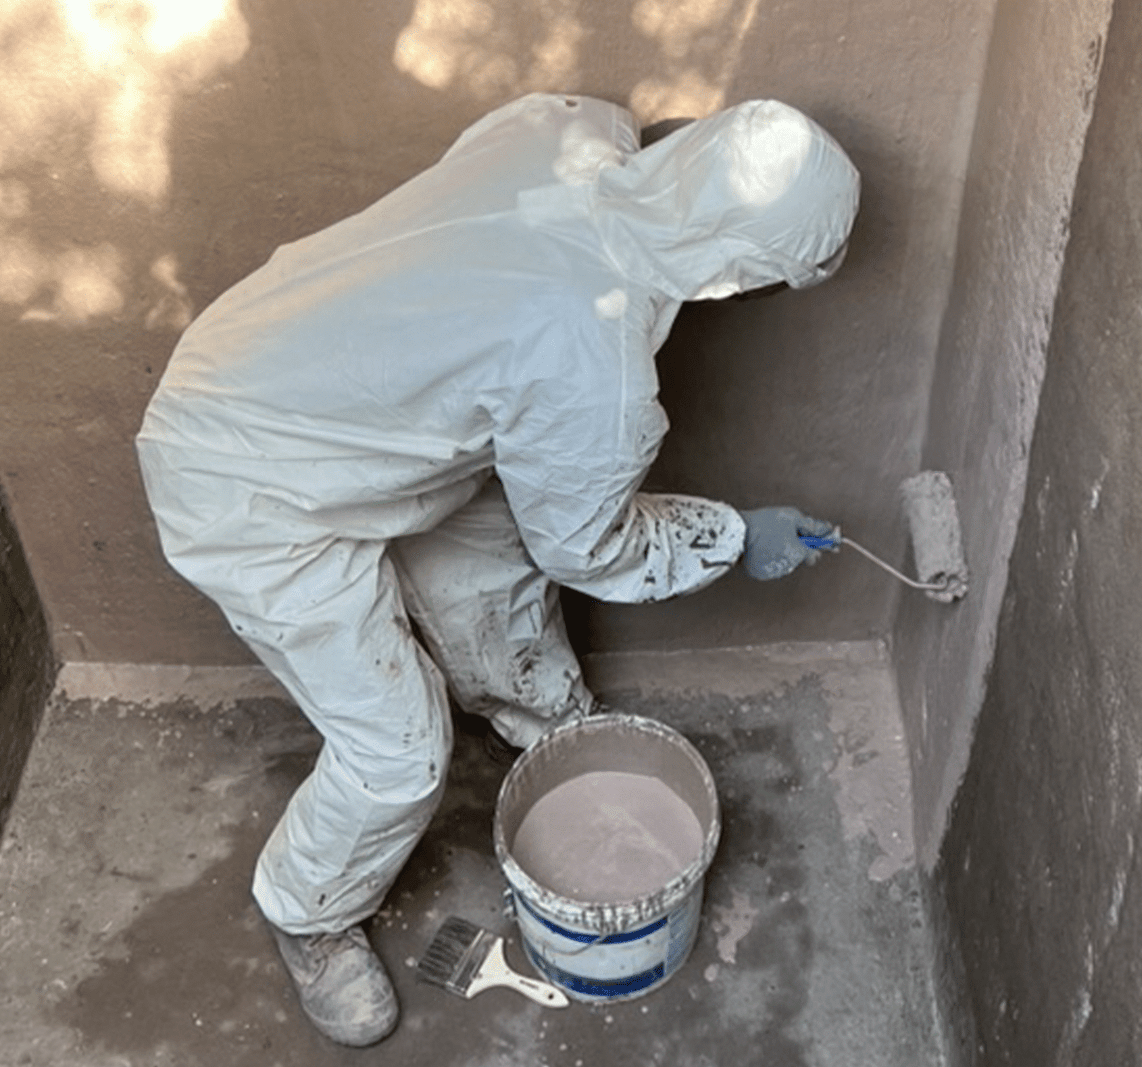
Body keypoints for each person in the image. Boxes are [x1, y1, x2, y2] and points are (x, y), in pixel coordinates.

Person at [135, 93, 858, 1046]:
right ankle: (307, 912)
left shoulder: (571, 128)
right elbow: (590, 547)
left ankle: (538, 720)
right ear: (734, 276)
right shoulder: (593, 373)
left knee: (494, 542)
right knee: (396, 754)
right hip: (247, 487)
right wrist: (733, 535)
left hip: (283, 364)